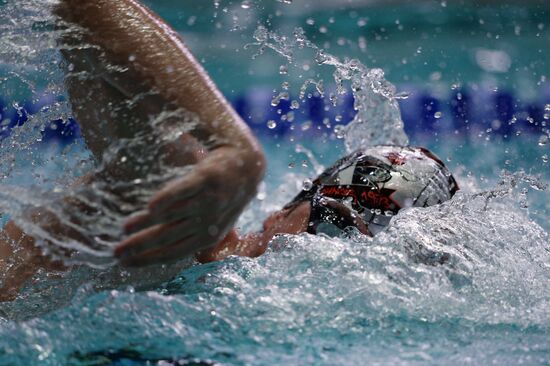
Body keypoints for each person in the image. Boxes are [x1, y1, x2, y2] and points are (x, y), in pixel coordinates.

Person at [0, 0, 458, 300]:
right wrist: (237, 151)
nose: (341, 258)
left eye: (375, 261)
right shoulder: (185, 212)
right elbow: (87, 9)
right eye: (335, 227)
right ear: (286, 209)